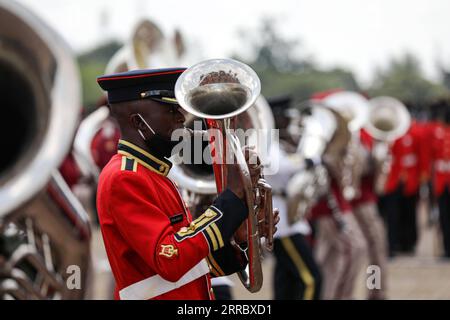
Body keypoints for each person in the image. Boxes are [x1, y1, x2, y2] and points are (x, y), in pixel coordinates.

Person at [96, 68, 279, 300]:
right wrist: (229, 201)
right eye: (171, 110)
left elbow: (189, 267)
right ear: (138, 122)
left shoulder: (155, 174)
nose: (181, 118)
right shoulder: (124, 178)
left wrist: (240, 238)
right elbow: (170, 260)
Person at [266, 95, 322, 300]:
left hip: (287, 217)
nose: (290, 122)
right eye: (285, 117)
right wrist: (306, 161)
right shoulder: (266, 143)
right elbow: (279, 168)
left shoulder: (280, 143)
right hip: (283, 223)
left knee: (286, 281)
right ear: (276, 118)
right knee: (312, 278)